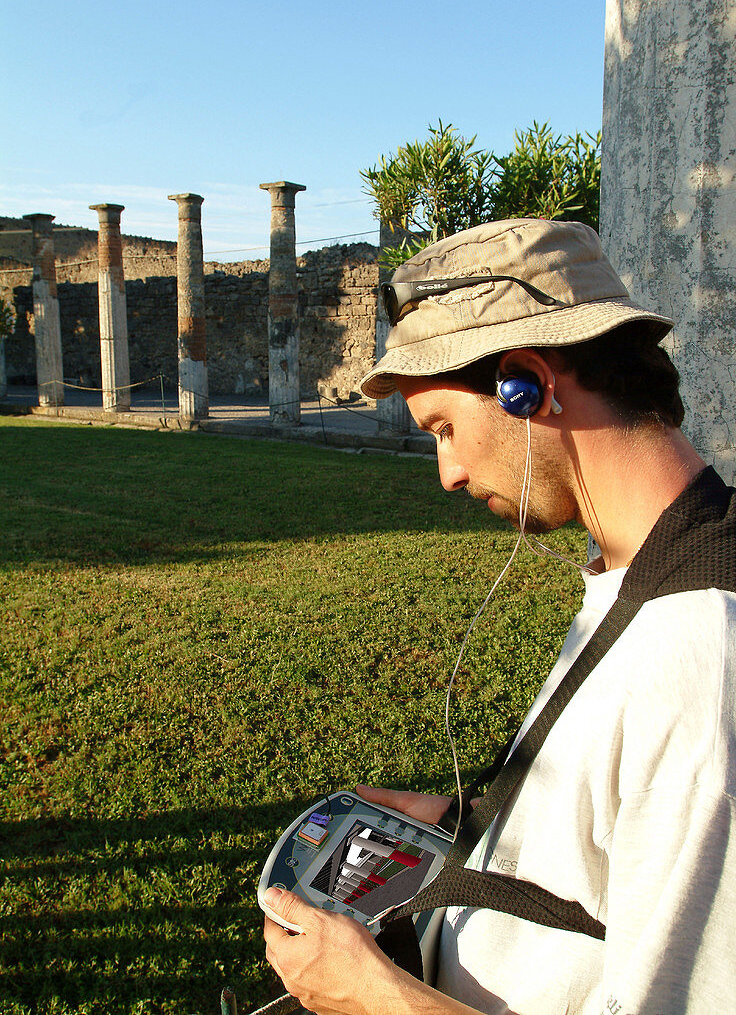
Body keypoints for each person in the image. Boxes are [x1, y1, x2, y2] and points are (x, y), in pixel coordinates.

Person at [262, 218, 736, 1014]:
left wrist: (374, 996)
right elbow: (618, 840)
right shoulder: (643, 574)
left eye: (445, 429)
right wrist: (473, 822)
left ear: (528, 384)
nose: (445, 473)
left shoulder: (702, 667)